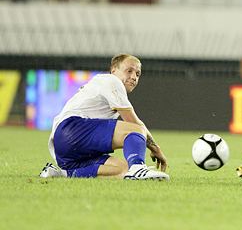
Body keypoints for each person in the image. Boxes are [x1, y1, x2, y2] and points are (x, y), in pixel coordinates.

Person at [39, 53, 169, 180]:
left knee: (124, 169)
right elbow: (134, 124)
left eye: (137, 74)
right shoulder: (111, 80)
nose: (134, 77)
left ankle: (63, 174)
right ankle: (138, 168)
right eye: (129, 71)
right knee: (135, 129)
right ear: (113, 70)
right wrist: (155, 149)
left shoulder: (101, 83)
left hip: (66, 150)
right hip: (73, 128)